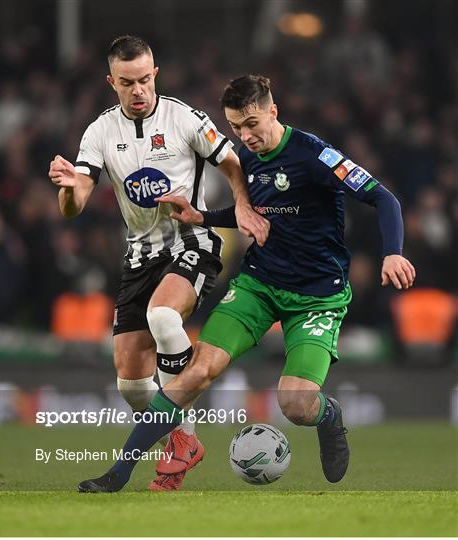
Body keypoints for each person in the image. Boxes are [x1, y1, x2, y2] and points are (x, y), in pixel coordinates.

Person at [78, 74, 416, 493]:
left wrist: (394, 251)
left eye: (252, 124)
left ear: (273, 111)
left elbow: (385, 198)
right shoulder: (245, 157)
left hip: (317, 297)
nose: (245, 136)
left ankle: (329, 416)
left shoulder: (314, 155)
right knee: (197, 371)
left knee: (294, 404)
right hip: (258, 285)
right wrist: (202, 217)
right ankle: (120, 472)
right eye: (236, 127)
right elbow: (252, 214)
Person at [49, 39, 269, 492]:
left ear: (156, 74)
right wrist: (70, 187)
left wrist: (243, 208)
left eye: (145, 80)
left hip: (193, 241)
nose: (138, 90)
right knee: (130, 383)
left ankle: (182, 443)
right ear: (112, 82)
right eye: (127, 82)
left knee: (164, 315)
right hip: (140, 255)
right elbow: (76, 204)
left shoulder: (182, 117)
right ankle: (183, 441)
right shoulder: (99, 133)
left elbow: (230, 161)